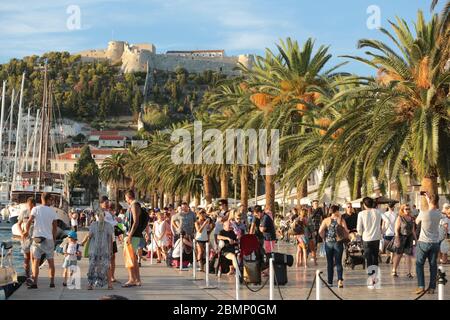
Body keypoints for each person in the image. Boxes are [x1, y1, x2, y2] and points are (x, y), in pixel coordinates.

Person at [24, 192, 57, 289]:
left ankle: (35, 283)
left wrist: (26, 232)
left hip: (37, 239)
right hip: (49, 239)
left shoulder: (35, 209)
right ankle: (52, 283)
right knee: (51, 262)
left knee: (36, 261)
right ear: (46, 199)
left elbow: (29, 221)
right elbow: (55, 228)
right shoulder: (53, 211)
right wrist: (54, 239)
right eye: (51, 199)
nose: (52, 201)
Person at [415, 193, 442, 295]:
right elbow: (433, 207)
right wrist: (429, 199)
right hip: (435, 243)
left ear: (429, 200)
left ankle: (421, 286)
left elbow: (417, 222)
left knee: (419, 264)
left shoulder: (423, 213)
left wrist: (427, 201)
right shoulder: (439, 214)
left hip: (423, 242)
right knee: (433, 265)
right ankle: (432, 288)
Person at [81, 211, 114, 290]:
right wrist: (111, 250)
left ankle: (90, 284)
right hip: (104, 249)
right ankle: (109, 284)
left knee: (92, 266)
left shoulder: (93, 225)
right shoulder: (108, 225)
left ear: (96, 216)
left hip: (94, 249)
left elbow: (90, 235)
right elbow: (110, 239)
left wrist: (83, 242)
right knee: (106, 266)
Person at [319, 205, 349, 288]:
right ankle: (340, 280)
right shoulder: (341, 220)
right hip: (338, 243)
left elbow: (320, 231)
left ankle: (330, 282)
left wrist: (324, 237)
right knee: (339, 262)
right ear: (336, 211)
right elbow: (346, 230)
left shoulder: (326, 220)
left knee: (330, 263)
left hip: (328, 243)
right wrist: (346, 235)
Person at [123, 189, 144, 287]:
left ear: (128, 197)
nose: (125, 200)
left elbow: (136, 221)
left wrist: (130, 235)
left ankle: (132, 279)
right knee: (133, 258)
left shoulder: (134, 205)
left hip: (133, 235)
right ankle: (136, 279)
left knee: (130, 258)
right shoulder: (134, 205)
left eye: (125, 198)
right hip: (133, 235)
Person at [357, 197, 383, 272]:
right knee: (375, 257)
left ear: (364, 205)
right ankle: (375, 275)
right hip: (376, 237)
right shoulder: (378, 212)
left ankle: (371, 275)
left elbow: (359, 228)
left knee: (368, 258)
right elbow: (386, 220)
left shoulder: (361, 214)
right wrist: (382, 230)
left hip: (366, 238)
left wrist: (360, 234)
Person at [391, 204, 416, 278]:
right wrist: (397, 238)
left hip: (409, 238)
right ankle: (394, 270)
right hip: (401, 237)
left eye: (408, 209)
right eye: (406, 209)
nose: (408, 210)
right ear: (402, 210)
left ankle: (409, 272)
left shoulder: (411, 218)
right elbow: (396, 229)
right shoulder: (400, 218)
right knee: (399, 255)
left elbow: (413, 230)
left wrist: (416, 240)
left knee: (409, 255)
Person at [100, 196, 119, 283]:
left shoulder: (109, 213)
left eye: (108, 202)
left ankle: (112, 276)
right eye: (106, 202)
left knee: (113, 257)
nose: (108, 204)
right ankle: (105, 275)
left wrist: (116, 219)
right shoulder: (100, 212)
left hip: (112, 237)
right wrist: (116, 222)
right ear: (101, 203)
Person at [18, 197, 36, 280]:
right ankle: (27, 276)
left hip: (35, 238)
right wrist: (22, 233)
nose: (29, 207)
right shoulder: (24, 212)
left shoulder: (37, 213)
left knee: (34, 258)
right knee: (26, 258)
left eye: (30, 205)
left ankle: (33, 276)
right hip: (25, 239)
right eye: (28, 205)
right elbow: (19, 224)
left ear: (33, 204)